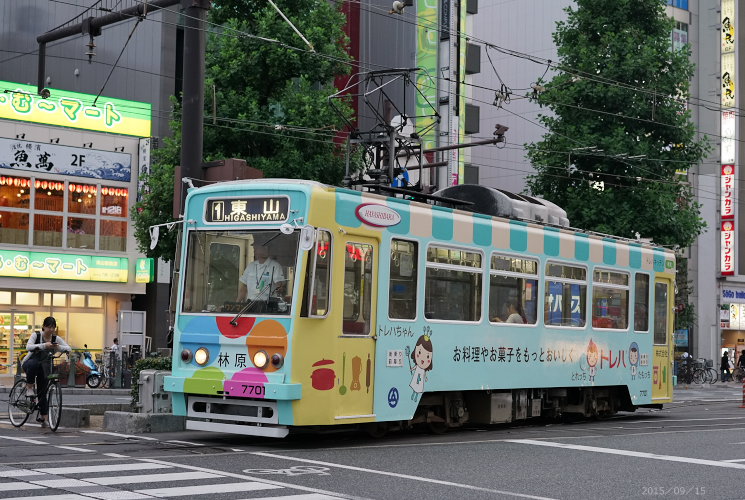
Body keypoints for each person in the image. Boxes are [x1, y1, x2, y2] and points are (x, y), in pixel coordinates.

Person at [21, 316, 71, 427]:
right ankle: (29, 387)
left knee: (43, 392)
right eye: (49, 327)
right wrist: (44, 345)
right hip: (30, 363)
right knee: (34, 363)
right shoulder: (36, 335)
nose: (51, 330)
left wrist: (58, 347)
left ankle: (44, 418)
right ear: (44, 327)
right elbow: (28, 347)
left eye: (53, 327)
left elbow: (68, 348)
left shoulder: (55, 338)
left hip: (44, 367)